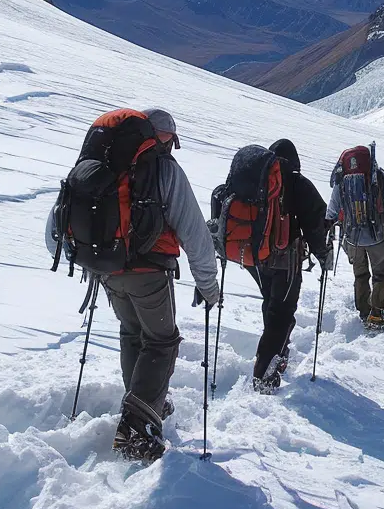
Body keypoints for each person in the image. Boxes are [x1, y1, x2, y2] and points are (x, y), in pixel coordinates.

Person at [46, 107, 220, 461]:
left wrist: (78, 259)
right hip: (149, 273)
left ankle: (143, 403)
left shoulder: (99, 165)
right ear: (160, 138)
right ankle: (137, 429)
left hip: (107, 271)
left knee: (133, 334)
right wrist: (209, 285)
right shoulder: (163, 169)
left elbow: (56, 225)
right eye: (169, 139)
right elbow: (195, 233)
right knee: (162, 342)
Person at [246, 139, 329, 393]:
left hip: (257, 258)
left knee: (271, 306)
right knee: (280, 314)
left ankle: (277, 355)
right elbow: (316, 222)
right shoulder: (298, 183)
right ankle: (264, 375)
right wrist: (322, 254)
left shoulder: (257, 181)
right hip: (286, 260)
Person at [327, 144, 384, 330]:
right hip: (376, 236)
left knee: (360, 274)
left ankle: (363, 311)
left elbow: (333, 208)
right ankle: (376, 314)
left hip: (352, 237)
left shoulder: (343, 178)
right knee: (380, 274)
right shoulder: (381, 178)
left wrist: (328, 230)